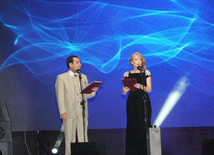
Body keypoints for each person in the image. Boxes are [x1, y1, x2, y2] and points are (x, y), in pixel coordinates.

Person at [55, 55, 99, 155]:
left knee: (83, 136)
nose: (80, 64)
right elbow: (60, 96)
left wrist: (93, 92)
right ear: (70, 65)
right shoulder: (61, 78)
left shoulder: (83, 77)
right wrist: (62, 112)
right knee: (70, 138)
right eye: (77, 62)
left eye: (79, 62)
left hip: (82, 111)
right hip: (69, 111)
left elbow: (85, 95)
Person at [121, 52, 152, 155]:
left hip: (143, 101)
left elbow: (149, 89)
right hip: (132, 101)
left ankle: (144, 152)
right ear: (131, 62)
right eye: (136, 60)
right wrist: (124, 90)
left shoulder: (146, 73)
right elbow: (123, 92)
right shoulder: (127, 74)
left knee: (143, 126)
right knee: (132, 125)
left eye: (140, 59)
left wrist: (141, 86)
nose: (138, 62)